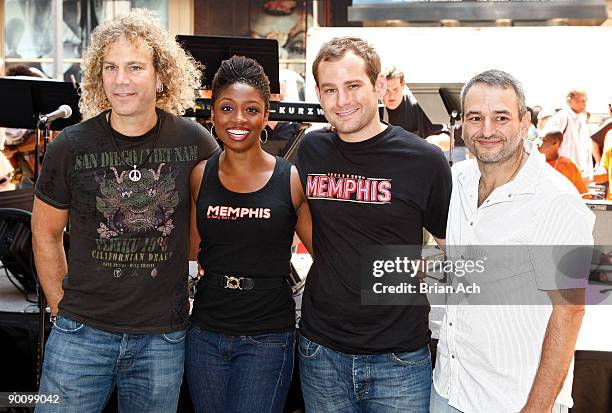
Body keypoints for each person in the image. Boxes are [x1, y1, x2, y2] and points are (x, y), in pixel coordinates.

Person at [32, 9, 219, 412]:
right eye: (111, 67)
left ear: (161, 75)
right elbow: (45, 232)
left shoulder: (196, 142)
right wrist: (59, 306)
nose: (121, 80)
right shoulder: (69, 146)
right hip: (81, 332)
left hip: (162, 338)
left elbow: (213, 218)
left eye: (135, 67)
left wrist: (195, 265)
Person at [295, 37, 452, 412]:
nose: (341, 100)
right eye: (330, 90)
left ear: (379, 86)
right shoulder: (311, 149)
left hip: (398, 358)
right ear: (318, 94)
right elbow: (297, 210)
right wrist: (335, 258)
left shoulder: (424, 160)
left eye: (353, 86)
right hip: (321, 352)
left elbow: (453, 250)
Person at [432, 70, 594, 413]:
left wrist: (536, 408)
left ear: (524, 123)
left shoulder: (557, 200)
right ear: (462, 125)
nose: (487, 130)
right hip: (448, 389)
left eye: (501, 117)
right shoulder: (455, 183)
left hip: (514, 400)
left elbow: (571, 311)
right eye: (476, 117)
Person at [185, 55, 312, 413]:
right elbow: (193, 253)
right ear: (211, 114)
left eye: (251, 109)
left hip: (268, 337)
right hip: (205, 333)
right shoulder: (199, 176)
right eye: (227, 107)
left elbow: (326, 253)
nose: (238, 119)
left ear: (267, 115)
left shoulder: (290, 179)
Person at [381, 65, 444, 139]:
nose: (391, 96)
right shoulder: (375, 111)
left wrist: (424, 143)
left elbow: (447, 139)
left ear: (403, 84)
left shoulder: (418, 107)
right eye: (386, 90)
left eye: (395, 89)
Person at [543, 89, 593, 179]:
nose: (583, 104)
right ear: (569, 101)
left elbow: (586, 147)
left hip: (580, 173)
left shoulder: (582, 119)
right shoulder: (561, 118)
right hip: (561, 173)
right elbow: (545, 143)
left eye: (585, 101)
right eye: (579, 101)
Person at [538, 130, 589, 198]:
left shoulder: (568, 165)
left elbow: (582, 195)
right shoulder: (536, 162)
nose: (539, 143)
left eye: (543, 140)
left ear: (555, 142)